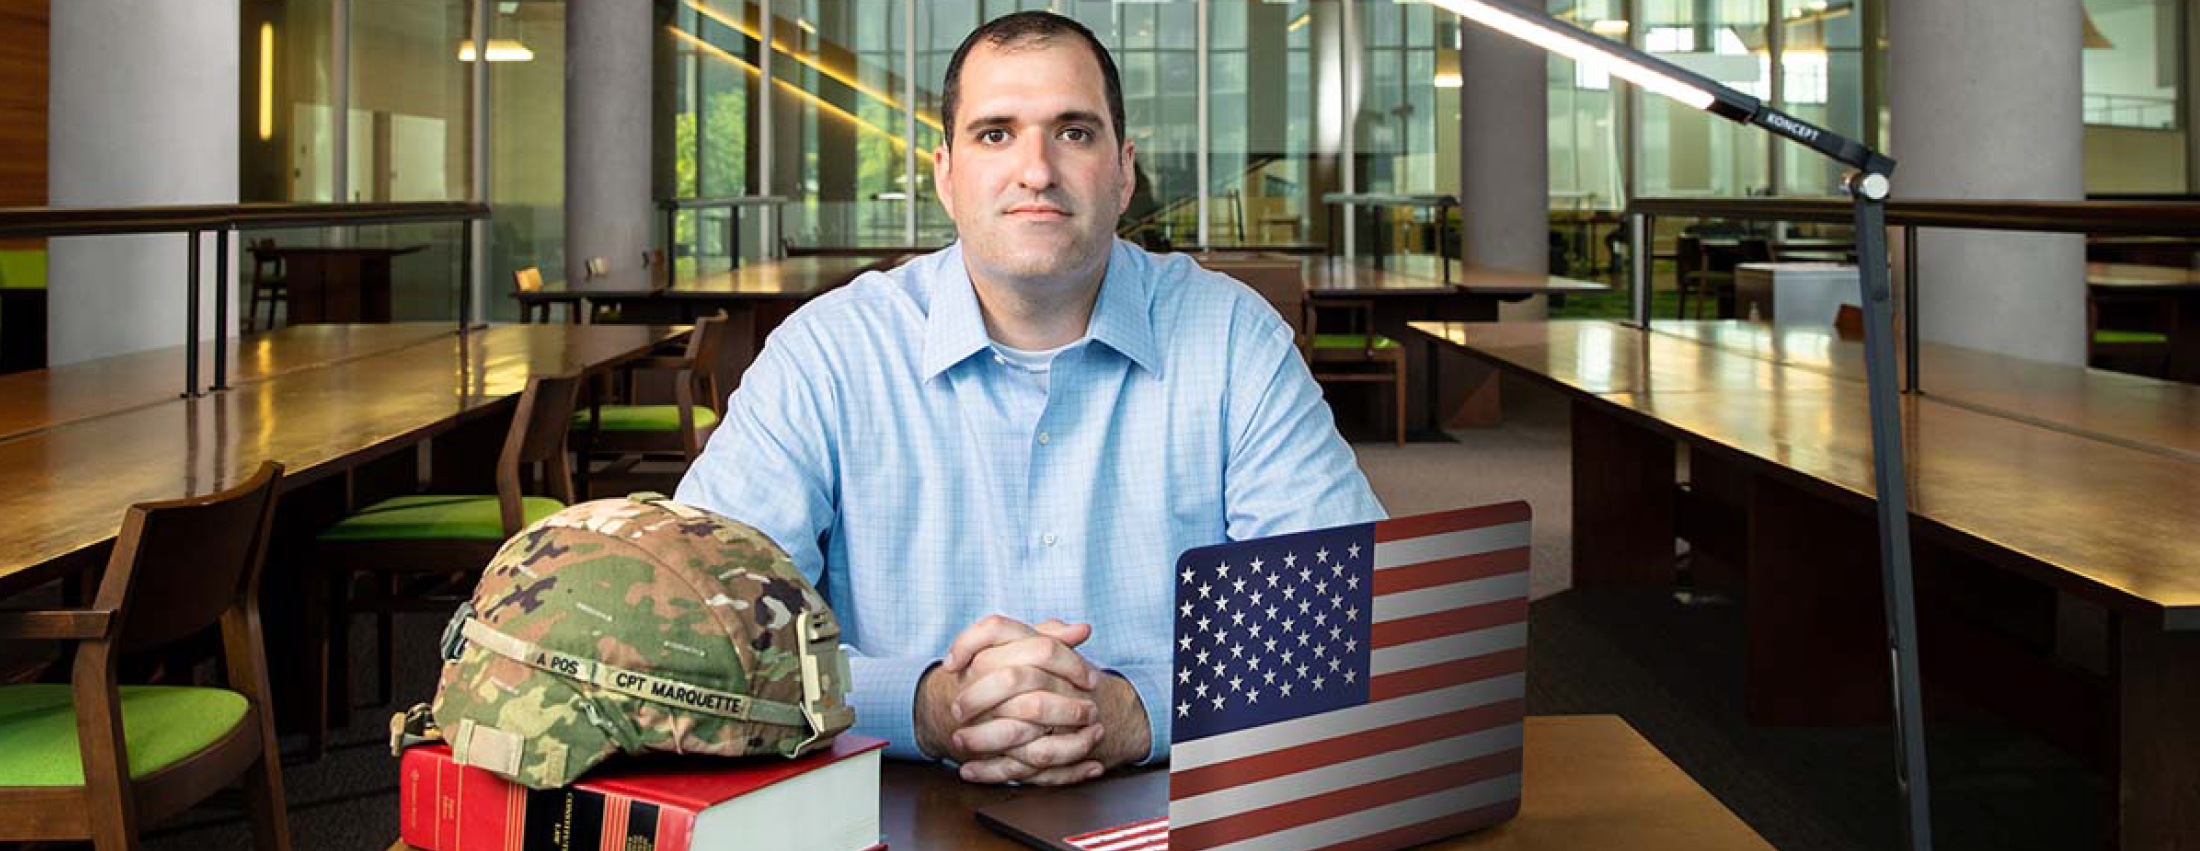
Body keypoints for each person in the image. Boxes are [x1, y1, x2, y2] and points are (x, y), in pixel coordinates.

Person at [675, 10, 1382, 787]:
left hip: (1183, 804)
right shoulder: (826, 355)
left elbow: (1349, 617)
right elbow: (703, 633)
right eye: (995, 134)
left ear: (1125, 171)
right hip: (878, 806)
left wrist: (1135, 710)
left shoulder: (1234, 340)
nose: (1037, 170)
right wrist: (922, 705)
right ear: (945, 173)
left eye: (1074, 132)